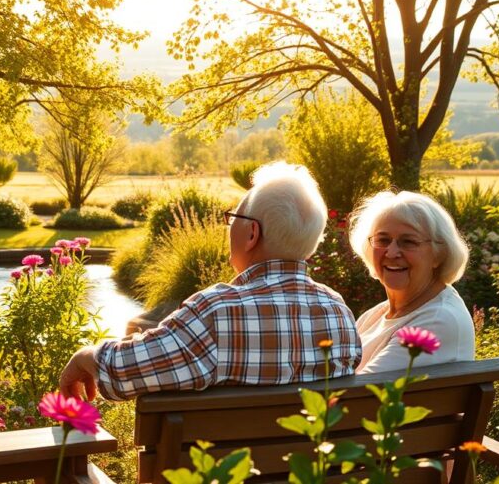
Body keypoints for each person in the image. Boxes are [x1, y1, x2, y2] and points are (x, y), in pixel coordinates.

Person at [59, 162, 361, 401]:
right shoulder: (339, 313)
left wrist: (86, 356)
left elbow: (126, 368)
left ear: (252, 234)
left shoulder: (217, 312)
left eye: (234, 219)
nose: (229, 228)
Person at [348, 191, 474, 374]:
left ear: (439, 254)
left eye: (408, 242)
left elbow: (359, 396)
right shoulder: (374, 316)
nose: (391, 253)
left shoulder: (438, 320)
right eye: (382, 240)